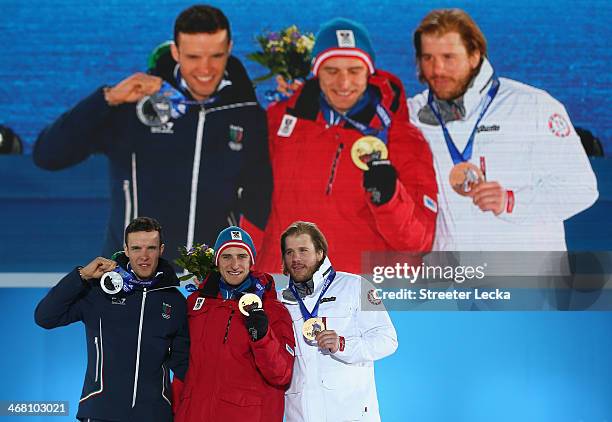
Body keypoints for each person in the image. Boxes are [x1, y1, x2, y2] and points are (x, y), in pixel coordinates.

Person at [33, 5, 271, 265]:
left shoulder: (247, 114)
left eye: (216, 56)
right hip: (132, 278)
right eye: (193, 57)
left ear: (229, 49)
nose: (205, 69)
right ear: (175, 52)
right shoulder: (136, 106)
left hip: (209, 284)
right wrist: (108, 98)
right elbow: (48, 155)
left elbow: (262, 201)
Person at [257, 18, 438, 274]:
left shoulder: (404, 139)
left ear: (369, 73)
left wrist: (388, 199)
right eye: (331, 71)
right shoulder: (279, 122)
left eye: (354, 71)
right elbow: (255, 208)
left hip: (360, 295)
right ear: (316, 72)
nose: (343, 84)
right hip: (286, 290)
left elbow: (419, 242)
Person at [408, 9, 598, 251]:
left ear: (474, 56)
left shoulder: (532, 106)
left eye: (449, 57)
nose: (437, 70)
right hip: (452, 279)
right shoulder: (413, 115)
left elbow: (581, 189)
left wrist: (512, 202)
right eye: (428, 58)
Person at [34, 217, 189, 422]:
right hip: (100, 412)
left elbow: (184, 363)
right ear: (126, 249)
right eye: (136, 248)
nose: (144, 256)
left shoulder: (173, 300)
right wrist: (81, 276)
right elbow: (45, 317)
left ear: (161, 250)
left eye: (150, 248)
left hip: (153, 415)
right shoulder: (99, 290)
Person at [277, 221, 397, 421]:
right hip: (299, 414)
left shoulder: (356, 286)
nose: (295, 258)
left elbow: (387, 340)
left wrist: (343, 344)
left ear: (320, 253)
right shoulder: (279, 300)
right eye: (289, 252)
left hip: (350, 413)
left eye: (303, 250)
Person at [173, 226, 294, 422]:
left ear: (252, 261)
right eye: (226, 256)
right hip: (194, 414)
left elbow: (282, 374)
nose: (234, 264)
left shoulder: (272, 310)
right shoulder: (195, 303)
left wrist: (262, 337)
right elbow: (182, 370)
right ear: (217, 261)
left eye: (241, 256)